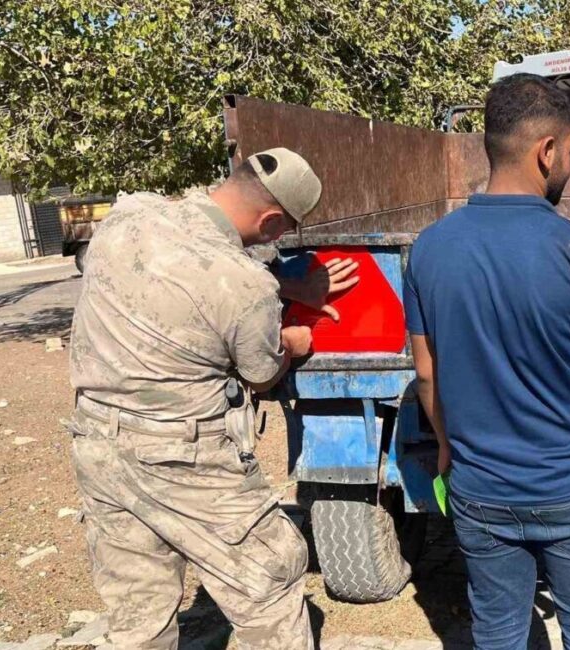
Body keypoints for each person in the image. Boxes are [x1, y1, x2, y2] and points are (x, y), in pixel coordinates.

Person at [402, 73, 570, 650]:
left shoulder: (429, 249)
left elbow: (427, 374)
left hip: (480, 488)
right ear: (546, 152)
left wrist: (446, 446)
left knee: (496, 631)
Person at [68, 148, 341, 649]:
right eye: (283, 230)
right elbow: (261, 374)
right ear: (273, 219)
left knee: (138, 611)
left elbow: (186, 263)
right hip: (185, 455)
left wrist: (285, 284)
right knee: (268, 581)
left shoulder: (129, 218)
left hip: (98, 444)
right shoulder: (247, 286)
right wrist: (296, 340)